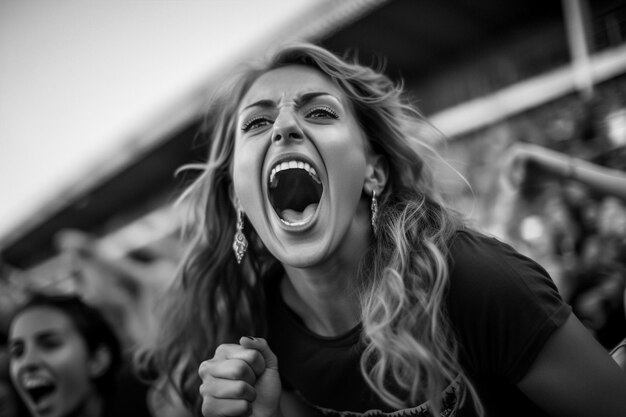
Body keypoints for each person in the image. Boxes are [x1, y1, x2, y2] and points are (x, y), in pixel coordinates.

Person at [149, 43, 626, 417]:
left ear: (373, 172)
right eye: (256, 122)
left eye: (319, 112)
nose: (284, 127)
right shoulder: (259, 329)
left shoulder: (473, 282)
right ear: (237, 194)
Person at [7, 292, 152, 417]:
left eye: (50, 344)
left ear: (97, 360)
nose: (27, 362)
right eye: (17, 352)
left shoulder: (158, 404)